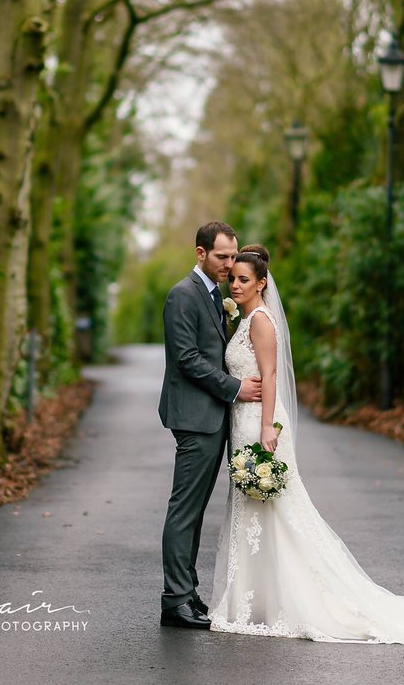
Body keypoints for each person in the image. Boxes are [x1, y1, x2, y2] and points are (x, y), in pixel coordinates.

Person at [209, 244, 404, 646]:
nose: (236, 284)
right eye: (233, 278)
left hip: (258, 424)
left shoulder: (260, 321)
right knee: (254, 507)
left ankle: (288, 601)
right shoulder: (242, 320)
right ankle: (254, 598)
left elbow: (271, 374)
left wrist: (267, 428)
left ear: (262, 283)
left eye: (245, 279)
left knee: (275, 507)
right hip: (240, 421)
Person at [158, 221, 262, 629]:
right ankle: (175, 601)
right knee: (184, 509)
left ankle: (187, 591)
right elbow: (187, 358)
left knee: (196, 510)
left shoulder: (214, 294)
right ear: (200, 253)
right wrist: (235, 388)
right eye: (222, 256)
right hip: (194, 417)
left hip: (210, 417)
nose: (230, 264)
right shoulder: (183, 295)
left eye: (234, 256)